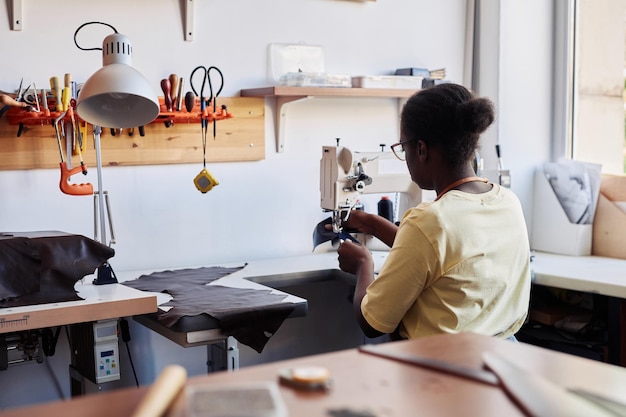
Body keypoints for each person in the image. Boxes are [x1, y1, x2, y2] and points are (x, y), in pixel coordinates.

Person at [336, 83, 531, 340]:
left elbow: (372, 323)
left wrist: (363, 264)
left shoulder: (430, 220)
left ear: (421, 149)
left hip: (440, 369)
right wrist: (373, 224)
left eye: (403, 149)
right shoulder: (508, 201)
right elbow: (445, 256)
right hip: (501, 360)